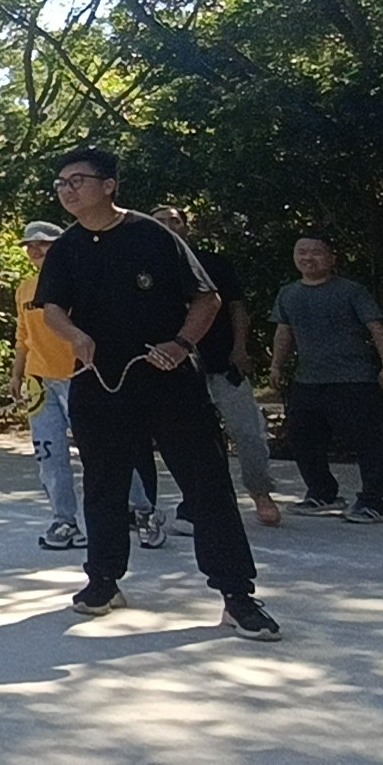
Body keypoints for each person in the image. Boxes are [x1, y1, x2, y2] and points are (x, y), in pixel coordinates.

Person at [33, 147, 280, 641]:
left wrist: (181, 343)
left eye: (77, 180)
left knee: (205, 483)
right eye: (60, 183)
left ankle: (236, 595)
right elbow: (52, 307)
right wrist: (74, 336)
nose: (67, 190)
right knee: (103, 484)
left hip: (168, 379)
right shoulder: (66, 248)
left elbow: (207, 298)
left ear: (108, 186)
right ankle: (103, 581)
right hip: (98, 381)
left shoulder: (154, 235)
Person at [12, 221, 161, 551]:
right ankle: (64, 520)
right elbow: (23, 336)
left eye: (43, 244)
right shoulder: (24, 289)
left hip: (81, 376)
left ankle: (143, 511)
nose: (35, 250)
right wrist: (17, 374)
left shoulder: (80, 280)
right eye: (29, 246)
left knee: (106, 452)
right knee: (49, 455)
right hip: (40, 382)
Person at [151, 206, 281, 527]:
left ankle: (260, 490)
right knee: (190, 439)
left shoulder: (213, 263)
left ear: (186, 227)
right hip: (177, 367)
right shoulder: (143, 265)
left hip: (223, 361)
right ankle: (195, 503)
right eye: (160, 221)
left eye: (174, 221)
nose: (168, 226)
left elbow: (236, 308)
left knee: (248, 432)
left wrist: (240, 348)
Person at [270, 234, 383, 523]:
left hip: (353, 379)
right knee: (302, 437)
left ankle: (373, 502)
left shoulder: (351, 291)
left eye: (316, 252)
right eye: (301, 251)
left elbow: (376, 328)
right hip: (308, 380)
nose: (308, 257)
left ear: (332, 258)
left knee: (367, 441)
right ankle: (322, 493)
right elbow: (284, 331)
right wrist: (276, 366)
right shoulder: (288, 293)